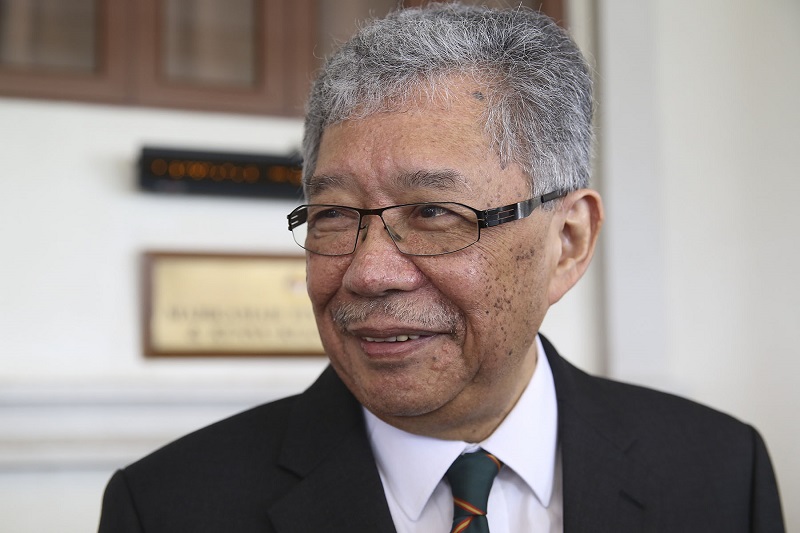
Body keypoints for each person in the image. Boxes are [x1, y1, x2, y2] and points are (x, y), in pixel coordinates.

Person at [98, 3, 784, 532]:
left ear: (568, 241)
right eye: (334, 215)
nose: (368, 273)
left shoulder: (719, 470)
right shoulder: (168, 505)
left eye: (432, 214)